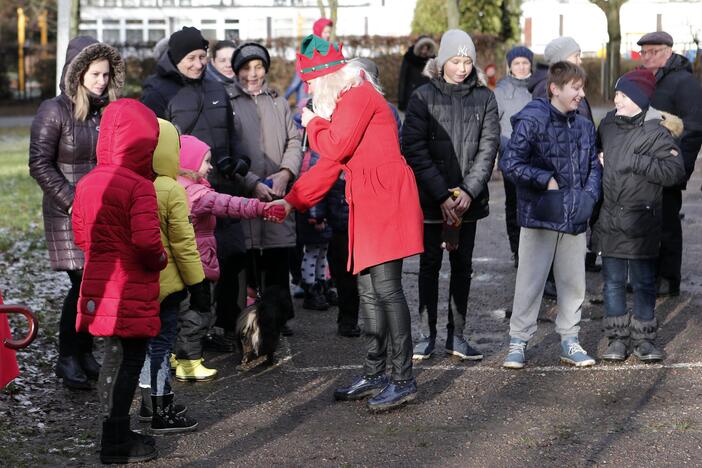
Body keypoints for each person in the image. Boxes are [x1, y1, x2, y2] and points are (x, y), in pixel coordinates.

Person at [273, 35, 424, 412]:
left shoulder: (357, 95)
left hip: (386, 199)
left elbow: (334, 147)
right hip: (369, 200)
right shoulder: (344, 104)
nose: (306, 89)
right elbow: (328, 166)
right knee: (369, 290)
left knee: (387, 290)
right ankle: (376, 372)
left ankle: (403, 378)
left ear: (325, 77)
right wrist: (291, 202)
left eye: (309, 82)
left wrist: (313, 123)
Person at [72, 98, 166, 464]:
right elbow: (146, 242)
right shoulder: (139, 186)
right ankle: (115, 443)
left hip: (99, 282)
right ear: (145, 142)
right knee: (131, 361)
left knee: (112, 358)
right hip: (130, 286)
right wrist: (159, 259)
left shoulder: (88, 182)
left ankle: (113, 430)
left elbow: (82, 237)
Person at [29, 36, 124, 390]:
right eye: (95, 74)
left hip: (102, 212)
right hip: (66, 211)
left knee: (92, 283)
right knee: (80, 282)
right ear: (77, 72)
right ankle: (68, 356)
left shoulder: (105, 112)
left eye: (106, 74)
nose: (101, 80)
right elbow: (39, 163)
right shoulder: (53, 110)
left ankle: (83, 353)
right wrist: (72, 201)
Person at [402, 29, 500, 361]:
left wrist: (469, 191)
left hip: (467, 201)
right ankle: (425, 335)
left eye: (467, 61)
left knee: (462, 266)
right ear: (443, 60)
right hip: (432, 200)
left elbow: (488, 149)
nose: (461, 67)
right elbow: (413, 148)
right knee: (429, 265)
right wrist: (441, 194)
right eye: (455, 60)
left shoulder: (485, 98)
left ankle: (456, 336)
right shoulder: (422, 96)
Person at [500, 61, 601, 369]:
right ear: (555, 88)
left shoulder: (584, 125)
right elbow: (511, 163)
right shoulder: (533, 119)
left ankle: (570, 340)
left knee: (573, 284)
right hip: (539, 215)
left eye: (582, 88)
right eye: (576, 88)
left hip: (573, 216)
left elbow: (594, 167)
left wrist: (588, 198)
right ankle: (518, 342)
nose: (581, 94)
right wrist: (544, 178)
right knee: (529, 283)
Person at [175, 135, 285, 380]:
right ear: (189, 163)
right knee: (199, 313)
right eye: (206, 161)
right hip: (197, 264)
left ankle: (176, 356)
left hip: (181, 263)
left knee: (180, 313)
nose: (211, 166)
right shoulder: (196, 194)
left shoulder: (174, 186)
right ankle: (189, 361)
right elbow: (229, 204)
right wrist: (261, 208)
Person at [594, 69, 685, 362]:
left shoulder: (657, 131)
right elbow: (596, 152)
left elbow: (674, 172)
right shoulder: (607, 124)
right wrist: (598, 159)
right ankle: (617, 339)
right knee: (613, 283)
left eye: (622, 94)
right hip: (610, 220)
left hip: (642, 222)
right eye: (617, 94)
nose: (616, 99)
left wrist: (637, 161)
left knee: (645, 283)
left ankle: (644, 339)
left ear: (638, 98)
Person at [229, 42, 303, 336]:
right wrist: (251, 182)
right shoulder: (229, 103)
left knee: (276, 260)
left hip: (277, 194)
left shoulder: (279, 102)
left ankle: (279, 316)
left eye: (258, 67)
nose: (253, 73)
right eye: (246, 68)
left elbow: (294, 142)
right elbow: (229, 150)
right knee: (246, 263)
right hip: (245, 193)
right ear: (237, 72)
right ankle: (246, 320)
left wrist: (286, 173)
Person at [136, 119, 204, 433]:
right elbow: (183, 244)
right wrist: (197, 283)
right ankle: (164, 409)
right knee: (162, 345)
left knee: (146, 346)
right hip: (168, 285)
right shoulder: (171, 189)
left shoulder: (135, 184)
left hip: (140, 284)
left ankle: (148, 404)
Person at [637, 31, 702, 297]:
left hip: (667, 166)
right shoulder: (646, 79)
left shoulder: (684, 83)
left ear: (668, 51)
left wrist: (677, 167)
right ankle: (648, 275)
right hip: (643, 164)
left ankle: (668, 277)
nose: (647, 56)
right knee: (644, 221)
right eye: (644, 52)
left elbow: (694, 128)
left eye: (653, 51)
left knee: (667, 223)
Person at [493, 45, 534, 268]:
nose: (520, 67)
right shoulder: (500, 91)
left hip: (535, 158)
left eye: (524, 63)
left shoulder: (538, 88)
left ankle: (532, 251)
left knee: (532, 204)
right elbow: (493, 125)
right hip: (511, 156)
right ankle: (517, 250)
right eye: (516, 63)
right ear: (510, 66)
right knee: (513, 206)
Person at [397, 35, 437, 112]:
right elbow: (403, 80)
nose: (424, 51)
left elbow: (436, 80)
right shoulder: (409, 57)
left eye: (426, 48)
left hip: (429, 99)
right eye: (422, 48)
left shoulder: (432, 60)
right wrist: (401, 101)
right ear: (418, 47)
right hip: (412, 98)